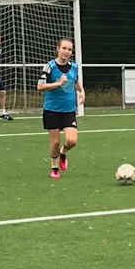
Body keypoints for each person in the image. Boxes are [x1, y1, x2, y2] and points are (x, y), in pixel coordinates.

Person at [36, 38, 83, 179]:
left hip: (68, 110)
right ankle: (54, 168)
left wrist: (82, 92)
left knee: (72, 141)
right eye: (64, 48)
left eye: (69, 49)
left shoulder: (74, 67)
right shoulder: (50, 66)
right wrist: (58, 83)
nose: (67, 52)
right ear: (58, 49)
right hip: (52, 110)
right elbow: (40, 87)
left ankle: (62, 153)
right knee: (55, 142)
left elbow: (76, 82)